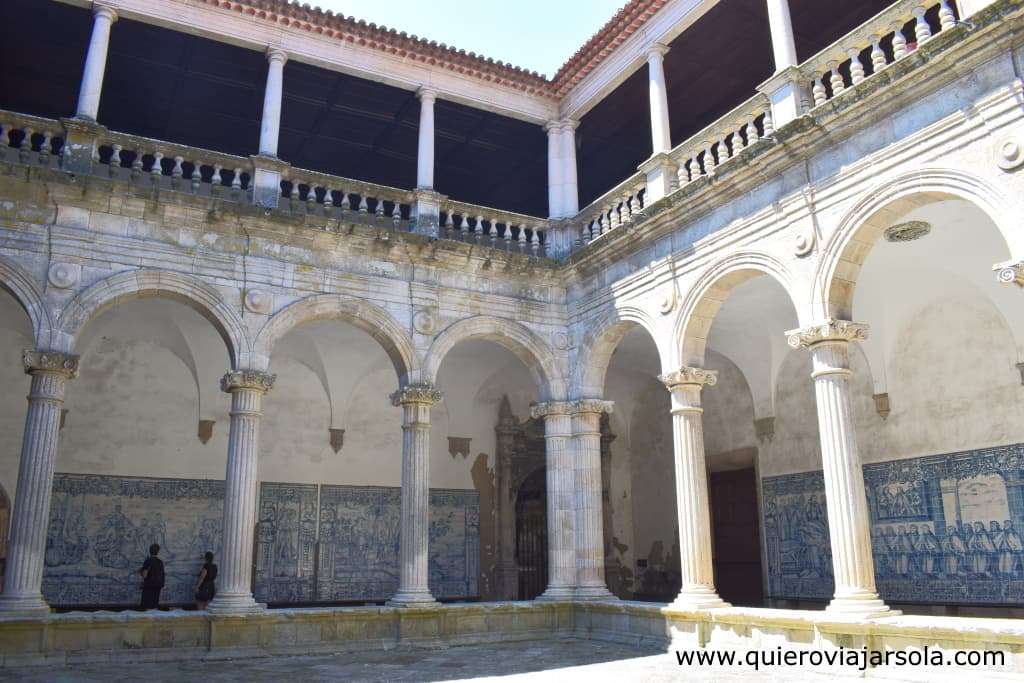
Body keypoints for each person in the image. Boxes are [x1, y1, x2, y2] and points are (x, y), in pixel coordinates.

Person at [138, 543, 165, 610]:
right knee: (154, 607)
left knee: (146, 607)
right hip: (158, 586)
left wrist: (140, 571)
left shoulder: (148, 561)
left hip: (149, 586)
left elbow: (145, 575)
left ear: (149, 551)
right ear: (158, 552)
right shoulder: (160, 562)